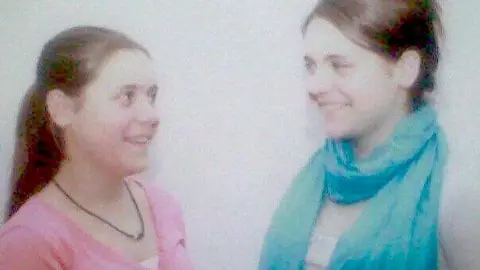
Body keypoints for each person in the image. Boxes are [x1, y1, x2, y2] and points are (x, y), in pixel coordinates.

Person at [258, 0, 461, 269]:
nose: (314, 85)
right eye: (311, 65)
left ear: (405, 70)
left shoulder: (454, 192)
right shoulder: (321, 172)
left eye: (339, 65)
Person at [0, 25, 193, 270]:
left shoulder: (163, 206)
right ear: (63, 110)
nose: (151, 115)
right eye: (127, 96)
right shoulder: (30, 241)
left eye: (151, 96)